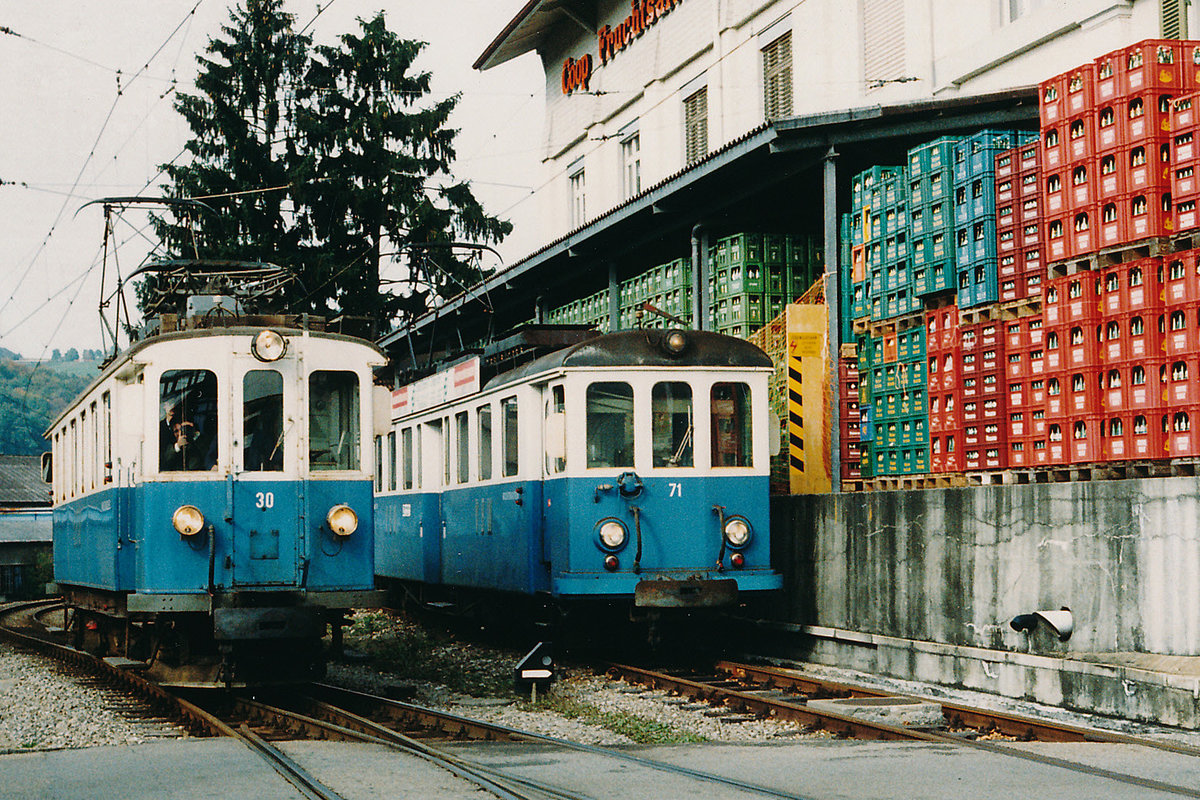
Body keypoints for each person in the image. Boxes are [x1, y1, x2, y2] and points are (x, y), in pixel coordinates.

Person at [161, 402, 214, 471]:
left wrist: (194, 435)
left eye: (183, 429)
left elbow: (206, 457)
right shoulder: (171, 446)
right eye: (176, 431)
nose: (180, 433)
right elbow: (164, 462)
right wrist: (177, 446)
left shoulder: (202, 441)